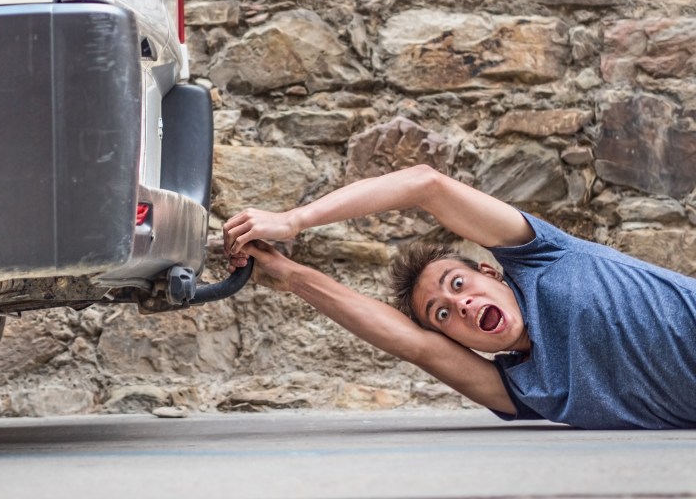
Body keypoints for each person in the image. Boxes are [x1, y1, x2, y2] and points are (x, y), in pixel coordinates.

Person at [222, 164, 696, 429]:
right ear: (459, 341)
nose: (462, 304)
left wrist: (294, 221)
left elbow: (425, 185)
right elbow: (413, 345)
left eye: (459, 284)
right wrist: (293, 276)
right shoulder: (528, 389)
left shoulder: (542, 257)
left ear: (491, 272)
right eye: (442, 313)